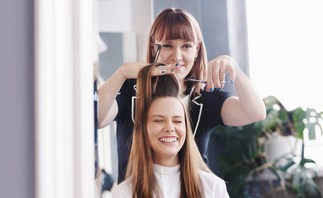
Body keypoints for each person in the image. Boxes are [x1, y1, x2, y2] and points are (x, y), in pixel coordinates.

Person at [98, 8, 266, 183]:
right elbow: (97, 119)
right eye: (167, 45)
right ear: (152, 46)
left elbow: (255, 113)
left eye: (186, 46)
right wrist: (122, 73)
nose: (176, 56)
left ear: (197, 50)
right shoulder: (130, 90)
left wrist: (234, 68)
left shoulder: (206, 97)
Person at [105, 63, 245, 198]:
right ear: (143, 129)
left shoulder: (214, 189)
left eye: (178, 121)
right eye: (159, 120)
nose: (170, 128)